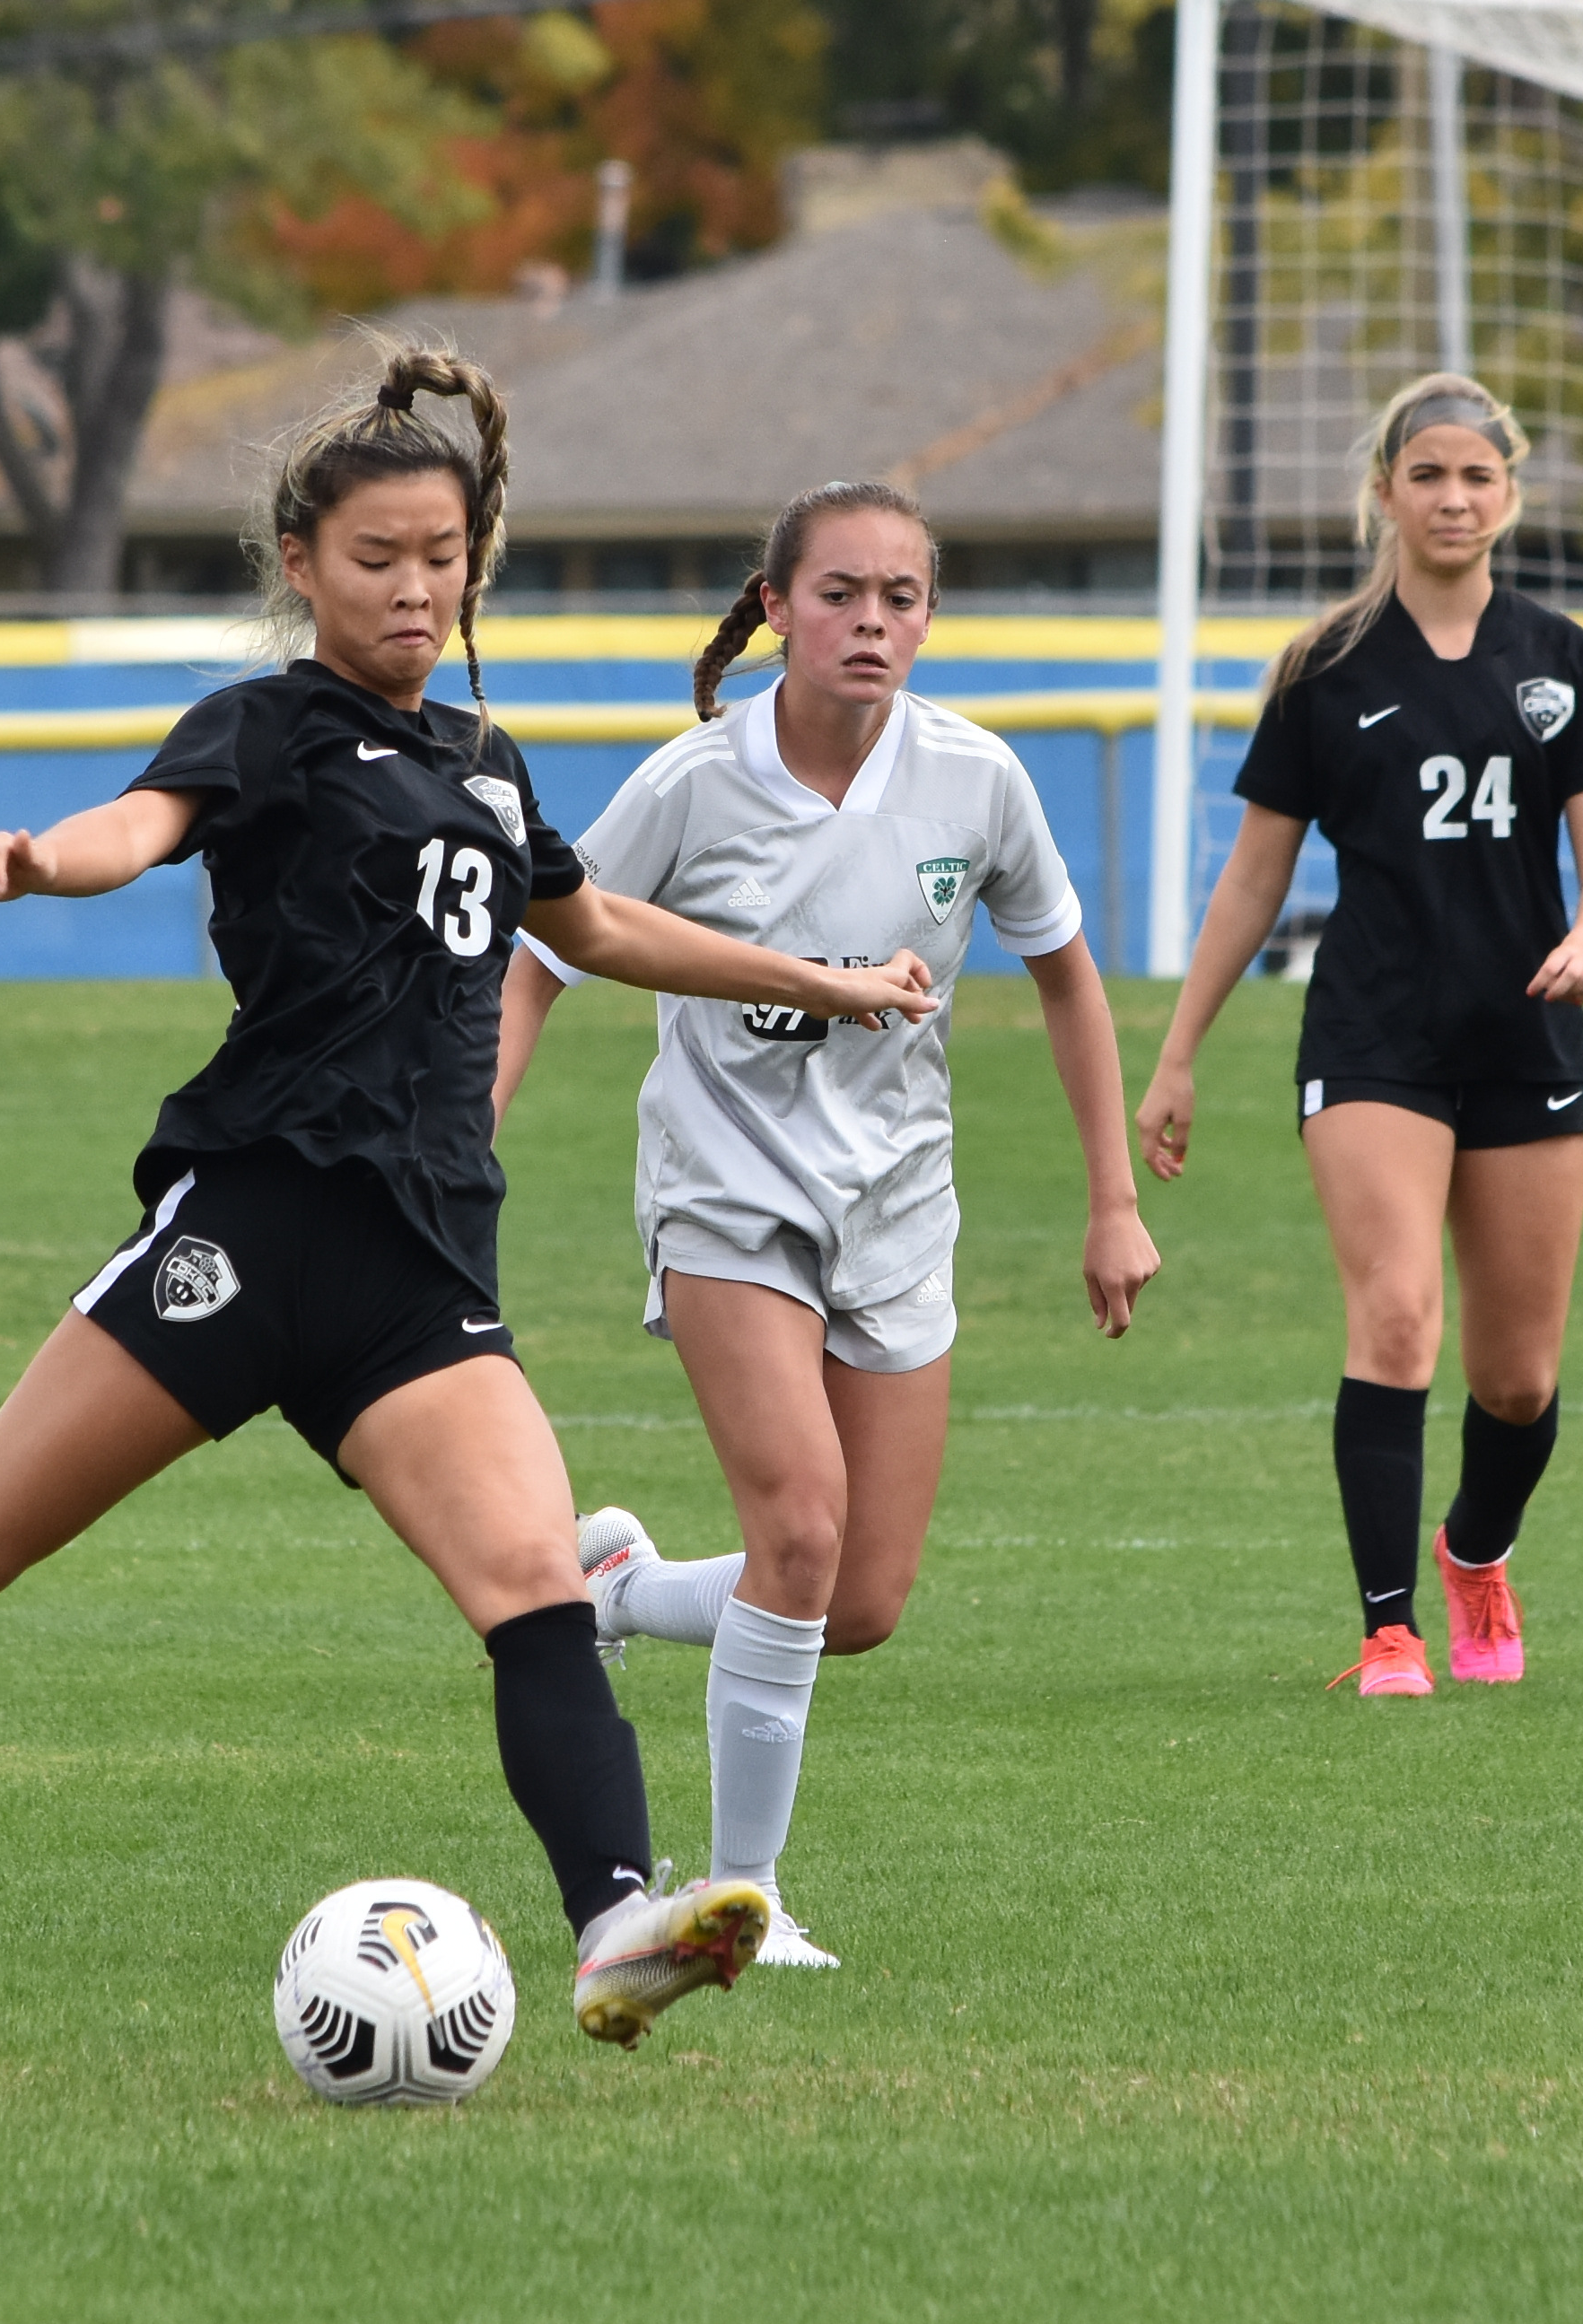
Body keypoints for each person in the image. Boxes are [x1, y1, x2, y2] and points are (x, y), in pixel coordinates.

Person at [0, 349, 940, 2049]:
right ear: (300, 565)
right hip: (247, 1228)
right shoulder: (261, 727)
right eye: (376, 558)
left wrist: (826, 981)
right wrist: (45, 858)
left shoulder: (484, 760)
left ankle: (617, 1918)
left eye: (440, 554)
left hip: (416, 1271)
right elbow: (138, 822)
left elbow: (600, 927)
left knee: (536, 1592)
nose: (414, 586)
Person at [494, 478, 1159, 1965]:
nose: (870, 621)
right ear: (777, 605)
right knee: (796, 1527)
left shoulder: (976, 780)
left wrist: (1111, 1200)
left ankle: (617, 1587)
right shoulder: (692, 782)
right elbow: (546, 951)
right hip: (725, 1191)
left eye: (900, 597)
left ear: (929, 615)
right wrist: (472, 1118)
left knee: (856, 1597)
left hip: (898, 1204)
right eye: (840, 593)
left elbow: (1065, 977)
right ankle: (742, 1897)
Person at [1134, 375, 1583, 1697]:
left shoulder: (1561, 659)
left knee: (1519, 1380)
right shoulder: (1323, 670)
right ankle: (1389, 1630)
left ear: (1509, 495)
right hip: (1371, 1040)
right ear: (1384, 492)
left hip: (1525, 1041)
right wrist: (1179, 1051)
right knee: (1398, 1319)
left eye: (1477, 475)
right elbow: (1253, 878)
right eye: (1428, 474)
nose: (1453, 497)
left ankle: (1475, 1552)